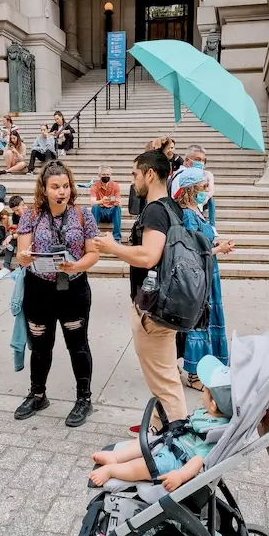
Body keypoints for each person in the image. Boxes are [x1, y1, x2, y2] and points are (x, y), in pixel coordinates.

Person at [94, 150, 188, 435]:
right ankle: (160, 425)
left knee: (165, 380)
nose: (132, 180)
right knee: (163, 374)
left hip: (154, 308)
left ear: (149, 173)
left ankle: (176, 438)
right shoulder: (172, 207)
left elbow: (148, 256)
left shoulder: (156, 209)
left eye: (135, 173)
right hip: (164, 302)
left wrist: (113, 248)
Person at [14, 160, 100, 427]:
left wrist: (76, 265)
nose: (61, 191)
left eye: (65, 186)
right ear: (44, 189)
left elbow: (93, 253)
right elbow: (21, 255)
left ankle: (84, 399)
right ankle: (38, 394)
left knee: (78, 345)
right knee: (40, 346)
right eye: (55, 187)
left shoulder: (83, 214)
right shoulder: (30, 215)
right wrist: (26, 257)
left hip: (73, 289)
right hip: (39, 288)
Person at [89, 360, 232, 489]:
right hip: (171, 440)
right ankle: (117, 457)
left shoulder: (212, 433)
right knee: (146, 439)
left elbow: (198, 461)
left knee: (145, 468)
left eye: (206, 390)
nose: (202, 393)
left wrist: (180, 476)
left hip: (175, 460)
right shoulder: (211, 413)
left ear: (213, 404)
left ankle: (111, 471)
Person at [172, 167, 233, 390]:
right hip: (199, 274)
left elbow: (202, 241)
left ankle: (202, 368)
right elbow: (191, 250)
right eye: (203, 187)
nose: (207, 191)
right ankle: (195, 374)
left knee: (206, 319)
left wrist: (216, 243)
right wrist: (218, 249)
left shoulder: (196, 211)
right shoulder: (187, 214)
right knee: (199, 320)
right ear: (192, 189)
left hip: (208, 271)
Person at [0, 195, 28, 280]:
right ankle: (6, 267)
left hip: (30, 238)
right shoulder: (15, 215)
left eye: (17, 210)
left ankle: (22, 268)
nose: (16, 213)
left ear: (23, 205)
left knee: (17, 238)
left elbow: (27, 232)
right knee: (10, 241)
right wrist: (12, 231)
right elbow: (18, 228)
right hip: (20, 236)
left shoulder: (31, 213)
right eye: (14, 211)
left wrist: (12, 235)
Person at [90, 165, 122, 242]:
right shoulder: (94, 186)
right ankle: (93, 235)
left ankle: (116, 237)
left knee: (117, 208)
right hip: (100, 212)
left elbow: (119, 201)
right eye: (104, 175)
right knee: (95, 207)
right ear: (99, 175)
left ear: (110, 175)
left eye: (108, 175)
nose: (106, 176)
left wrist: (115, 201)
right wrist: (102, 201)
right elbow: (92, 202)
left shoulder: (115, 185)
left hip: (111, 212)